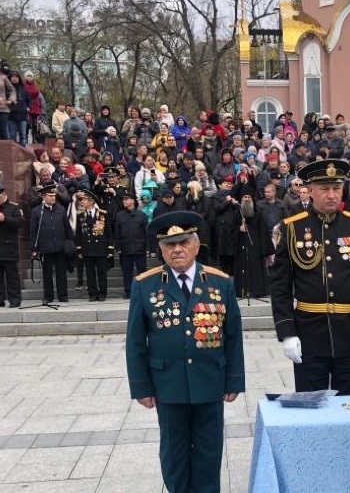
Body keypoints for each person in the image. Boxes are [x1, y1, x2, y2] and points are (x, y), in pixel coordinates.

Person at [125, 211, 244, 493]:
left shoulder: (220, 282)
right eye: (169, 244)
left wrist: (234, 380)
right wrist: (141, 387)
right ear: (161, 249)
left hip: (209, 381)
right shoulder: (146, 284)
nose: (177, 249)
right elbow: (135, 341)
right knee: (173, 453)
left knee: (209, 451)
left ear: (196, 244)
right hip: (168, 384)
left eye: (183, 242)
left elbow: (233, 336)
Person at [270, 159, 350, 394]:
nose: (332, 195)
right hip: (309, 334)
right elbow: (280, 286)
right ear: (310, 191)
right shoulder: (292, 228)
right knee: (310, 408)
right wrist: (287, 332)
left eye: (336, 188)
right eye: (324, 189)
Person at [29, 183, 73, 305]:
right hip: (45, 247)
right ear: (43, 197)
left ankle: (62, 295)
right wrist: (34, 248)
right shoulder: (37, 211)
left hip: (60, 246)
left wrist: (70, 243)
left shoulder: (61, 209)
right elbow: (33, 231)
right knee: (47, 274)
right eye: (50, 196)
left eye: (54, 195)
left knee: (61, 273)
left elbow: (67, 227)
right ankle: (48, 296)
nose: (53, 198)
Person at [0, 186, 24, 308]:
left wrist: (4, 219)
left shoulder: (14, 207)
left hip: (8, 248)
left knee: (12, 276)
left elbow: (19, 222)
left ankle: (14, 299)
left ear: (4, 194)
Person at [74, 190, 114, 302]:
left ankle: (102, 293)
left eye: (85, 200)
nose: (83, 202)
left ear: (91, 201)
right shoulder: (81, 215)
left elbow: (109, 233)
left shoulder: (102, 214)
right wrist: (79, 249)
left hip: (100, 248)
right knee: (90, 273)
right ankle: (92, 293)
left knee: (102, 273)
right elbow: (78, 234)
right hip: (87, 248)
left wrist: (110, 249)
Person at [114, 192, 148, 299]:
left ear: (133, 201)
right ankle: (128, 291)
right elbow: (117, 232)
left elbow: (146, 232)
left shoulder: (141, 215)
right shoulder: (120, 215)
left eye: (126, 199)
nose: (124, 201)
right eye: (123, 200)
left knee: (142, 272)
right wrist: (118, 247)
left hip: (140, 248)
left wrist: (147, 248)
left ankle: (143, 291)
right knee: (127, 272)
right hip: (125, 248)